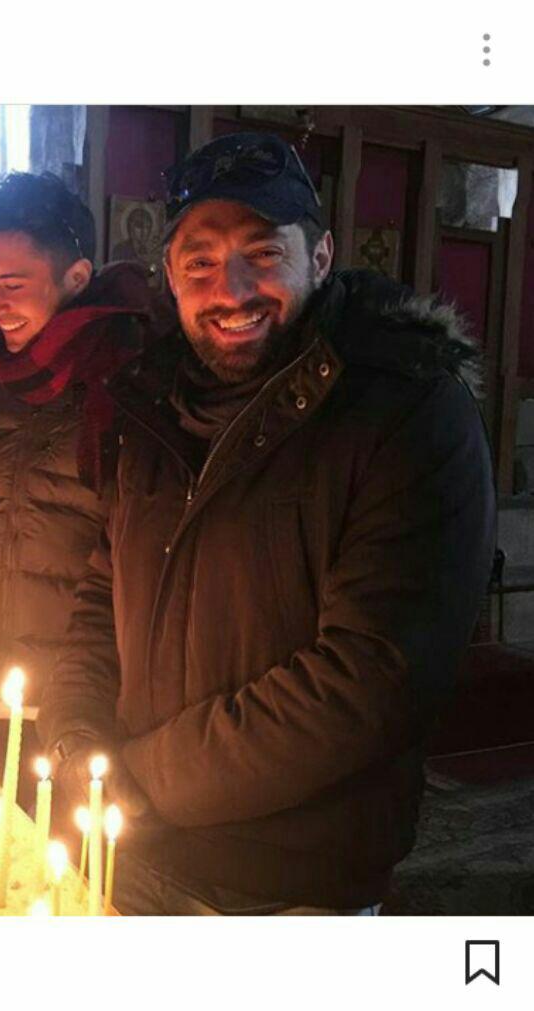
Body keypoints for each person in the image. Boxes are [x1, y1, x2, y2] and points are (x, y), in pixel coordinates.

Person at [39, 131, 497, 915]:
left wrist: (138, 778)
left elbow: (369, 679)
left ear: (320, 257)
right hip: (127, 849)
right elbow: (98, 604)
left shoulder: (407, 409)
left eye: (264, 254)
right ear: (170, 277)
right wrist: (75, 741)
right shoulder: (151, 406)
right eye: (201, 264)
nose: (233, 290)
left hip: (289, 883)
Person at [0, 172, 151, 787]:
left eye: (12, 286)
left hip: (86, 718)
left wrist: (88, 709)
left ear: (76, 276)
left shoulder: (134, 384)